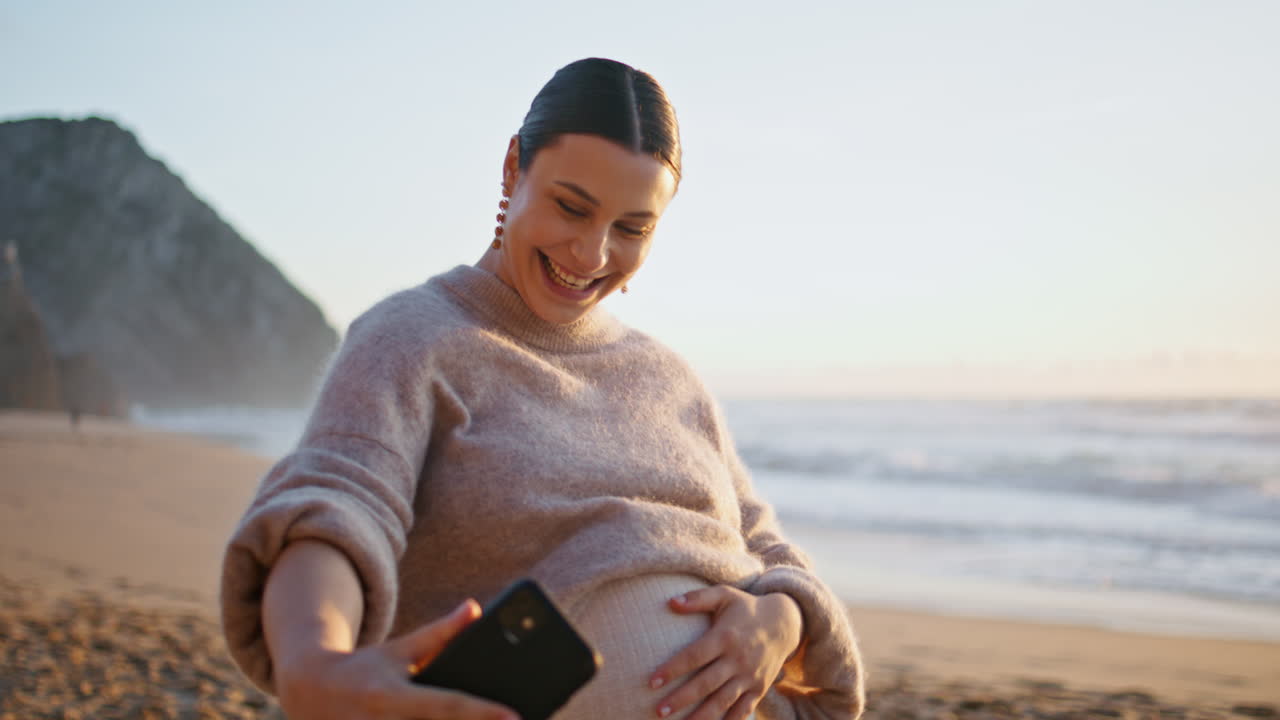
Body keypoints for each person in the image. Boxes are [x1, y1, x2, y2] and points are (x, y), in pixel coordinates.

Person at [220, 57, 863, 720]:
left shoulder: (673, 381)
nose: (591, 254)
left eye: (632, 228)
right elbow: (337, 504)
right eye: (570, 207)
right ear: (512, 168)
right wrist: (313, 662)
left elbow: (768, 550)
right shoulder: (412, 338)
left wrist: (781, 620)